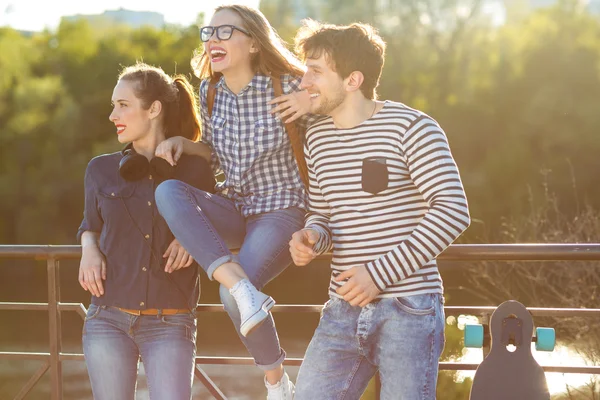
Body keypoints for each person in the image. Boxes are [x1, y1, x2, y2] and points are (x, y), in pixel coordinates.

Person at [288, 20, 471, 399]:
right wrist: (312, 237)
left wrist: (378, 274)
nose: (303, 81)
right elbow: (323, 214)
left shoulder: (412, 127)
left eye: (316, 71)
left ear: (353, 80)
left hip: (410, 308)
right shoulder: (317, 137)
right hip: (342, 309)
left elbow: (453, 209)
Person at [153, 5, 314, 399]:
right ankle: (243, 290)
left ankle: (278, 383)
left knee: (230, 293)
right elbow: (213, 151)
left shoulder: (289, 86)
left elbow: (345, 113)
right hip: (234, 207)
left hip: (281, 209)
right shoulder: (210, 92)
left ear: (254, 42)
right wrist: (186, 145)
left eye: (225, 32)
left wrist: (314, 104)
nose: (213, 40)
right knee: (167, 191)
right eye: (208, 33)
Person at [77, 62, 215, 400]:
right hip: (106, 317)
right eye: (113, 105)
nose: (113, 115)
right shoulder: (101, 169)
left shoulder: (195, 170)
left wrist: (191, 237)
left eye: (122, 105)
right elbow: (90, 225)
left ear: (154, 109)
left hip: (171, 322)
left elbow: (222, 224)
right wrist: (88, 249)